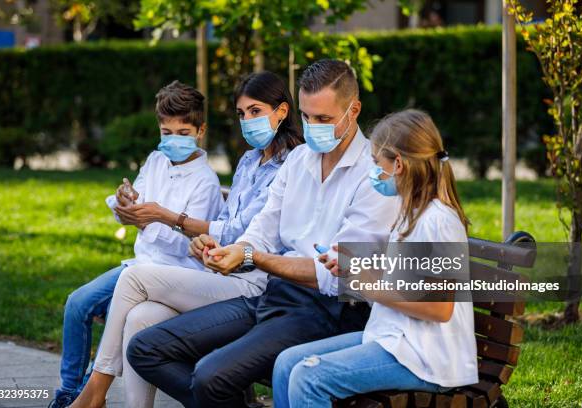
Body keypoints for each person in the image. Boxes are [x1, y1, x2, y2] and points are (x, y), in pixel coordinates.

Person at [126, 59, 400, 408]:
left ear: (354, 109)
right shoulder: (298, 160)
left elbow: (337, 276)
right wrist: (233, 249)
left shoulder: (372, 175)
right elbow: (263, 229)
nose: (313, 126)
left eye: (324, 119)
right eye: (306, 117)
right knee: (147, 348)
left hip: (329, 313)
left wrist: (253, 257)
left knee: (211, 377)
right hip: (274, 295)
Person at [68, 71, 303, 408]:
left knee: (134, 279)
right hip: (219, 272)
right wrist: (202, 241)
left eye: (256, 111)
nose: (247, 121)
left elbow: (253, 233)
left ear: (281, 112)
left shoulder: (292, 164)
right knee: (139, 317)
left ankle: (95, 391)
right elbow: (226, 224)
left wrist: (177, 221)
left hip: (254, 283)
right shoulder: (249, 161)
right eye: (242, 114)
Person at [272, 109, 478, 407]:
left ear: (398, 164)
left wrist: (366, 285)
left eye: (376, 163)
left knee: (308, 377)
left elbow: (439, 307)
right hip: (394, 339)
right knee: (287, 363)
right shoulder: (409, 213)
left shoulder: (438, 221)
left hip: (426, 356)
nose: (373, 172)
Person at [49, 80, 225, 408]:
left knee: (116, 308)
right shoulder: (156, 160)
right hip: (138, 265)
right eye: (166, 132)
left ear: (200, 131)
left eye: (183, 132)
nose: (173, 140)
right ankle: (69, 394)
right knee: (77, 303)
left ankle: (89, 397)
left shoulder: (206, 183)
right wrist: (124, 201)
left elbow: (186, 245)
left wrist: (152, 219)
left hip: (172, 275)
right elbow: (130, 211)